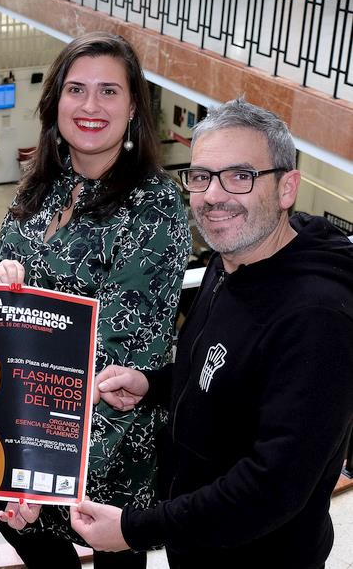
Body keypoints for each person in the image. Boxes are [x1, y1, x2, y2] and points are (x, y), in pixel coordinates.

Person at [69, 99, 353, 568]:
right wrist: (154, 385)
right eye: (201, 176)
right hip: (202, 542)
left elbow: (271, 486)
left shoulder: (317, 318)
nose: (213, 195)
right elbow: (228, 370)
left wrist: (135, 529)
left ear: (287, 188)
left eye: (240, 175)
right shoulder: (236, 259)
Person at [0, 32, 190, 569]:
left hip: (102, 455)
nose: (91, 106)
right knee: (28, 542)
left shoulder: (154, 205)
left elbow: (126, 354)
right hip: (27, 430)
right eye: (76, 89)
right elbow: (2, 283)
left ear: (133, 109)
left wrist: (40, 472)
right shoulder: (44, 185)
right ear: (56, 101)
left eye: (108, 92)